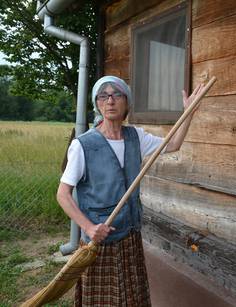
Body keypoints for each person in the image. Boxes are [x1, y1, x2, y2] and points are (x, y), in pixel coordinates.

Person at [57, 75, 206, 306]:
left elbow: (174, 144)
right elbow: (63, 194)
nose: (110, 101)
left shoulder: (136, 137)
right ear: (97, 103)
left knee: (131, 297)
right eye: (103, 96)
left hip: (129, 236)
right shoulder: (83, 145)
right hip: (101, 240)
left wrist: (189, 113)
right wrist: (88, 227)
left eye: (117, 95)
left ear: (127, 102)